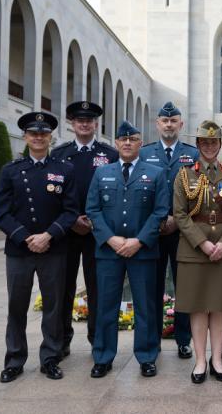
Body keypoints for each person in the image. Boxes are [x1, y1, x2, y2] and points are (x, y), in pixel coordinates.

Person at [0, 112, 79, 382]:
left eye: (43, 133)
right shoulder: (11, 170)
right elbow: (1, 212)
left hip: (53, 249)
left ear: (50, 136)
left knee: (54, 306)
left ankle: (50, 358)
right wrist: (24, 237)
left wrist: (48, 236)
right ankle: (15, 359)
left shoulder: (65, 169)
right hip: (19, 251)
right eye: (33, 133)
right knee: (16, 306)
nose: (38, 137)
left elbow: (70, 211)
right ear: (25, 136)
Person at [85, 121, 169, 378]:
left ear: (140, 143)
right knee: (106, 306)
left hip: (142, 251)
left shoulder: (155, 173)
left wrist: (139, 241)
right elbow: (92, 210)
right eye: (123, 139)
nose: (128, 143)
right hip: (109, 252)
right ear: (116, 143)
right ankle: (103, 356)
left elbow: (160, 212)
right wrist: (110, 239)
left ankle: (146, 357)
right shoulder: (102, 173)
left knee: (145, 306)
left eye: (133, 139)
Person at [173, 120, 222, 384]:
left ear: (220, 144)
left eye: (214, 142)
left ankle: (217, 360)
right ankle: (201, 360)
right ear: (198, 145)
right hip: (195, 250)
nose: (209, 147)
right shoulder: (185, 175)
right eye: (205, 142)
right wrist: (203, 243)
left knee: (219, 307)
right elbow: (180, 214)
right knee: (197, 307)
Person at [50, 101, 119, 359]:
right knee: (63, 289)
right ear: (71, 123)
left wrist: (93, 221)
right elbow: (53, 197)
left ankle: (97, 342)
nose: (84, 123)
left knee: (97, 290)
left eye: (89, 120)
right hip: (66, 234)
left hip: (98, 234)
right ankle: (61, 342)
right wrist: (71, 221)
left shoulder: (109, 155)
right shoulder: (59, 154)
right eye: (79, 119)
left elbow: (114, 196)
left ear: (96, 124)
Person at [140, 102, 198, 359]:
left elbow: (199, 194)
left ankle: (184, 339)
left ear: (181, 124)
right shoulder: (144, 153)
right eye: (164, 121)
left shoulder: (192, 154)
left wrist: (177, 219)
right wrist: (157, 222)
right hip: (152, 233)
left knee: (184, 287)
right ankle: (152, 340)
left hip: (183, 232)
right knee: (151, 288)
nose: (169, 125)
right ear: (157, 124)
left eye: (173, 120)